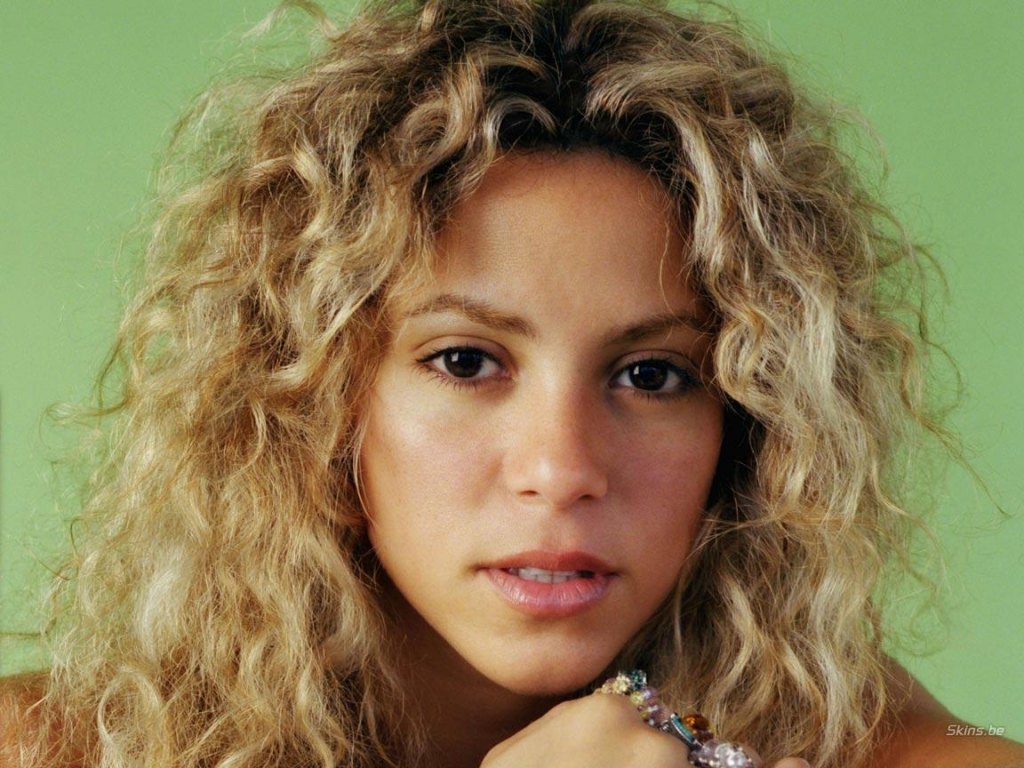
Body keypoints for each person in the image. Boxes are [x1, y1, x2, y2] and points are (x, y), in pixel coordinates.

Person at [2, 1, 1022, 766]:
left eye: (652, 374)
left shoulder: (860, 746)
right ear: (311, 396)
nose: (561, 468)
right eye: (465, 361)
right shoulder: (51, 748)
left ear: (751, 425)